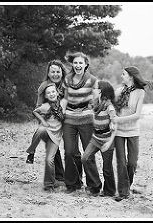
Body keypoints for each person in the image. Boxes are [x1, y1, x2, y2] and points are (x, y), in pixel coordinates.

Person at [61, 52, 99, 193]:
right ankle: (73, 184)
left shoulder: (92, 80)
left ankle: (94, 186)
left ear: (85, 64)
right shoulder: (67, 79)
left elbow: (96, 100)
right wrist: (61, 114)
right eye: (75, 63)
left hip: (86, 119)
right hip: (69, 118)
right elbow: (65, 98)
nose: (78, 65)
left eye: (80, 63)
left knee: (88, 153)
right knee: (70, 152)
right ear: (72, 64)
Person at [25, 60, 66, 182]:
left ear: (62, 73)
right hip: (50, 120)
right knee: (54, 148)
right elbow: (38, 106)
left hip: (65, 119)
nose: (55, 74)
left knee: (70, 149)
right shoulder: (44, 87)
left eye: (58, 71)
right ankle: (59, 176)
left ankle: (73, 178)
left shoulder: (65, 86)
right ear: (48, 73)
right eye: (52, 72)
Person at [111, 66, 148, 202]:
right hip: (119, 132)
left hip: (133, 131)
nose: (121, 76)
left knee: (132, 163)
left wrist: (118, 119)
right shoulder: (118, 91)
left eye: (124, 74)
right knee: (121, 162)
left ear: (131, 76)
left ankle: (126, 185)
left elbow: (137, 115)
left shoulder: (140, 92)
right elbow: (112, 107)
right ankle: (123, 192)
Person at [80, 80, 117, 197]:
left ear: (100, 91)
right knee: (85, 158)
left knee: (107, 168)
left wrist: (110, 141)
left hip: (107, 140)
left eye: (95, 88)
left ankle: (109, 191)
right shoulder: (95, 103)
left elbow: (115, 125)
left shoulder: (109, 107)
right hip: (95, 138)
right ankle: (95, 186)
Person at [31, 83, 66, 191]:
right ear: (46, 96)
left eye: (53, 91)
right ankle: (31, 152)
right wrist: (43, 121)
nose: (51, 94)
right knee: (41, 129)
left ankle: (50, 183)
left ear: (57, 92)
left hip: (55, 137)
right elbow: (35, 111)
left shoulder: (63, 103)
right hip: (47, 132)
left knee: (49, 159)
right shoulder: (45, 106)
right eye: (48, 93)